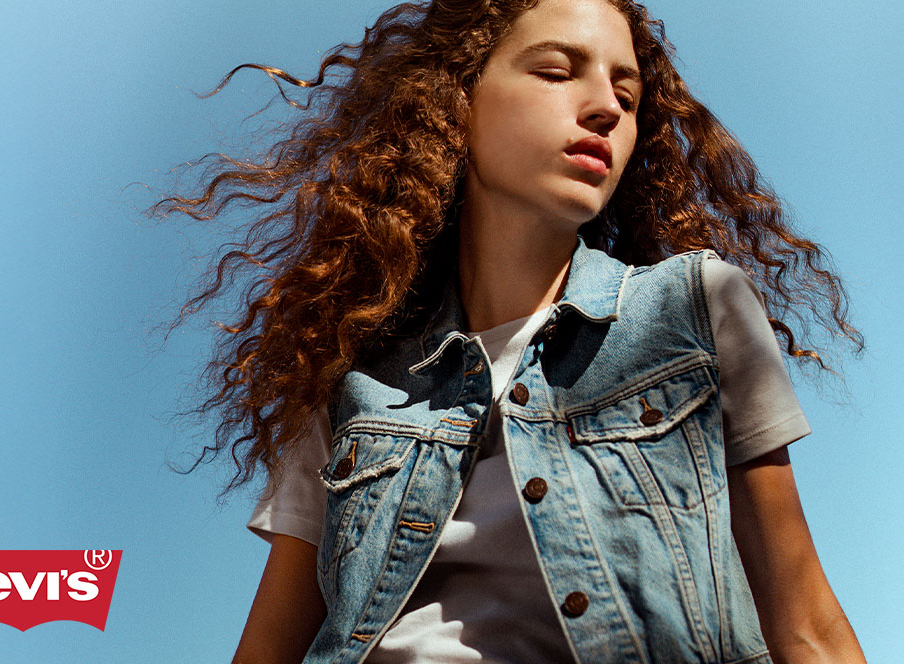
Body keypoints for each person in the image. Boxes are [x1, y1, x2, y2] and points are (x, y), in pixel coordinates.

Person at [160, 0, 868, 661]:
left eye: (628, 97)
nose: (604, 110)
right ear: (456, 99)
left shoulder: (694, 308)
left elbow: (805, 624)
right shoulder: (350, 371)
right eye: (558, 72)